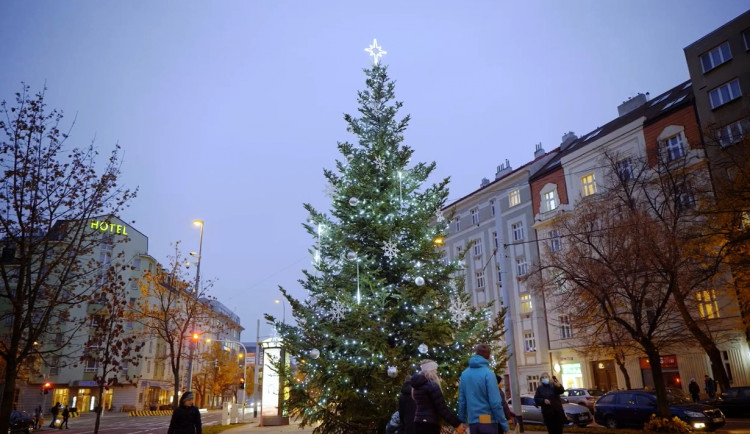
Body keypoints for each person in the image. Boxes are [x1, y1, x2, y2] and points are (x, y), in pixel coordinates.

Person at [457, 344, 509, 434]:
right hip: (489, 422)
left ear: (476, 354)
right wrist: (504, 425)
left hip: (473, 422)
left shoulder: (464, 374)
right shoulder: (488, 374)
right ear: (488, 356)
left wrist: (461, 422)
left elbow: (462, 401)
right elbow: (495, 402)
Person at [410, 359, 464, 434]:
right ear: (431, 371)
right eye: (435, 370)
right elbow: (442, 409)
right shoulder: (432, 386)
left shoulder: (416, 386)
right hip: (430, 425)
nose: (436, 372)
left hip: (418, 421)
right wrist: (457, 424)